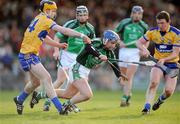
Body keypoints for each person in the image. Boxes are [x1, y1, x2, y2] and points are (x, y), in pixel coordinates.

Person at [13, 0, 91, 115]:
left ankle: (19, 99)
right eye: (53, 11)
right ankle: (60, 108)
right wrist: (81, 35)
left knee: (35, 83)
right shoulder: (46, 20)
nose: (55, 13)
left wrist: (58, 45)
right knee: (47, 78)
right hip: (28, 55)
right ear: (47, 10)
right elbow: (63, 30)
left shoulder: (38, 18)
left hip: (29, 54)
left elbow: (43, 37)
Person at [30, 30, 128, 114]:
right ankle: (66, 106)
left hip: (85, 71)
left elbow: (114, 64)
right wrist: (99, 55)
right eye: (113, 42)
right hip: (77, 68)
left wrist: (119, 75)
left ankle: (39, 95)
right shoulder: (96, 42)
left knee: (67, 94)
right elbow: (88, 48)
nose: (114, 45)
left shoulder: (109, 52)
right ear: (106, 40)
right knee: (87, 94)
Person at [42, 5, 96, 111]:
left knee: (79, 83)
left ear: (88, 16)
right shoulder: (70, 24)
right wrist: (56, 51)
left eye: (84, 15)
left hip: (80, 58)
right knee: (61, 80)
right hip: (67, 55)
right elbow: (57, 37)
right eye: (79, 15)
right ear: (76, 15)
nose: (82, 17)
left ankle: (70, 103)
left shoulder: (90, 28)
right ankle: (47, 100)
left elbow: (91, 44)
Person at [136, 11, 180, 114]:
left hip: (172, 64)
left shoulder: (176, 33)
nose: (160, 25)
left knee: (169, 91)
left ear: (168, 22)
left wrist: (165, 59)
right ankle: (147, 107)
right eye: (158, 23)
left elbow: (175, 53)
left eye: (162, 23)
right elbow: (138, 42)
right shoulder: (152, 32)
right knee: (154, 83)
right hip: (158, 62)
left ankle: (160, 100)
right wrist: (144, 49)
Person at [114, 5, 148, 107]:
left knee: (129, 76)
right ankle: (128, 94)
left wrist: (144, 49)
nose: (136, 16)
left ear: (141, 15)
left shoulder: (144, 26)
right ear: (131, 14)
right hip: (124, 50)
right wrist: (119, 42)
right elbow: (114, 34)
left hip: (135, 51)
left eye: (139, 14)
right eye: (135, 13)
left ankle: (124, 97)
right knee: (123, 76)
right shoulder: (124, 22)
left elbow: (148, 39)